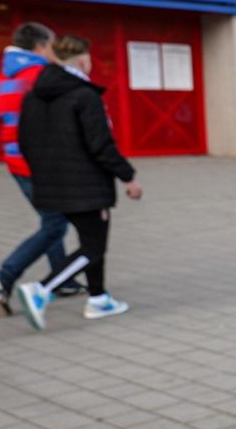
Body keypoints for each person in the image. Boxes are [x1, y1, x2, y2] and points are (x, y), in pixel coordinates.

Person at [13, 35, 144, 329]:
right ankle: (41, 290)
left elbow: (24, 142)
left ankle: (99, 299)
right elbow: (100, 144)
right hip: (86, 186)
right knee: (94, 247)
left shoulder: (33, 96)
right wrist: (128, 176)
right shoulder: (85, 96)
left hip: (50, 183)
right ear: (83, 60)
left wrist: (45, 171)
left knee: (90, 242)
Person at [0, 21, 82, 315]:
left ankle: (63, 279)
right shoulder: (41, 75)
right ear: (40, 47)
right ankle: (3, 278)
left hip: (17, 160)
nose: (54, 51)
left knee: (51, 221)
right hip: (39, 162)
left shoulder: (5, 73)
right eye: (52, 46)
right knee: (55, 224)